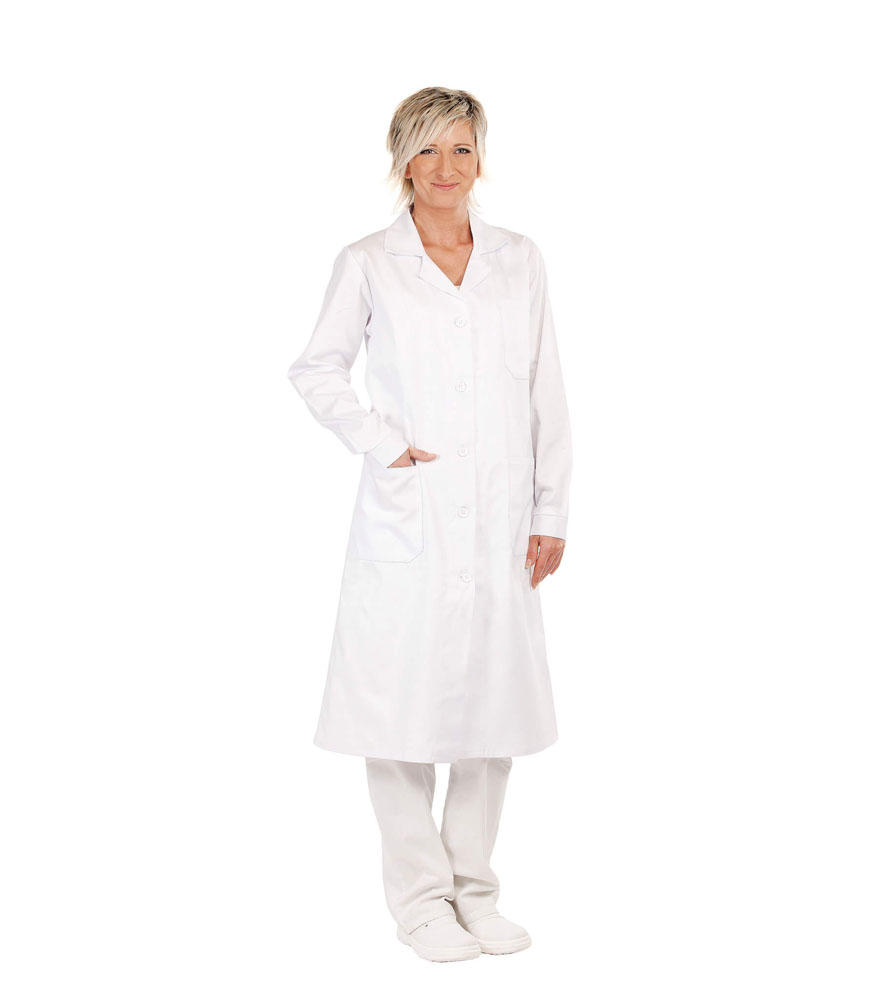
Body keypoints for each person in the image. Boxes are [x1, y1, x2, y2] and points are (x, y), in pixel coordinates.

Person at [287, 86, 572, 962]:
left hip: (501, 519)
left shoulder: (519, 260)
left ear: (480, 159)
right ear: (401, 158)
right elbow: (317, 369)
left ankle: (475, 892)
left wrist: (551, 508)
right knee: (397, 712)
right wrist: (385, 445)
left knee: (495, 709)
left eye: (461, 149)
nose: (446, 167)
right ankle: (420, 903)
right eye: (427, 149)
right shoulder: (369, 262)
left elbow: (547, 391)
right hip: (410, 522)